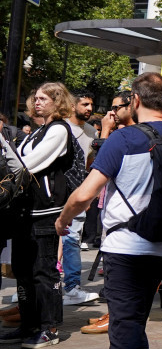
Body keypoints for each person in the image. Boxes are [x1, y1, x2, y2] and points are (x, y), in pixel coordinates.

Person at [56, 73, 162, 349]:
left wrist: (62, 220)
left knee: (127, 335)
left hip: (125, 249)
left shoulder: (124, 139)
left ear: (137, 103)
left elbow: (86, 193)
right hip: (161, 249)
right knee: (129, 330)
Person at [0, 83, 86, 349]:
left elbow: (29, 164)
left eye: (43, 98)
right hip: (24, 212)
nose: (37, 102)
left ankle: (48, 328)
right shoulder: (37, 131)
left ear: (57, 101)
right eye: (35, 98)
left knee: (43, 272)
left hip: (45, 212)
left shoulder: (59, 129)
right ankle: (28, 325)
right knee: (24, 271)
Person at [79, 90, 136, 336]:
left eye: (115, 107)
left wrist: (104, 132)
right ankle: (111, 312)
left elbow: (99, 163)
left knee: (118, 269)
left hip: (125, 214)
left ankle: (115, 316)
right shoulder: (120, 133)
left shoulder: (127, 135)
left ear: (130, 106)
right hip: (110, 204)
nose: (110, 113)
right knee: (111, 266)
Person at [60, 89, 99, 306]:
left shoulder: (92, 132)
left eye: (91, 105)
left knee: (72, 239)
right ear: (73, 105)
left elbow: (89, 164)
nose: (89, 109)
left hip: (78, 194)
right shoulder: (62, 127)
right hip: (57, 194)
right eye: (84, 104)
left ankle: (72, 287)